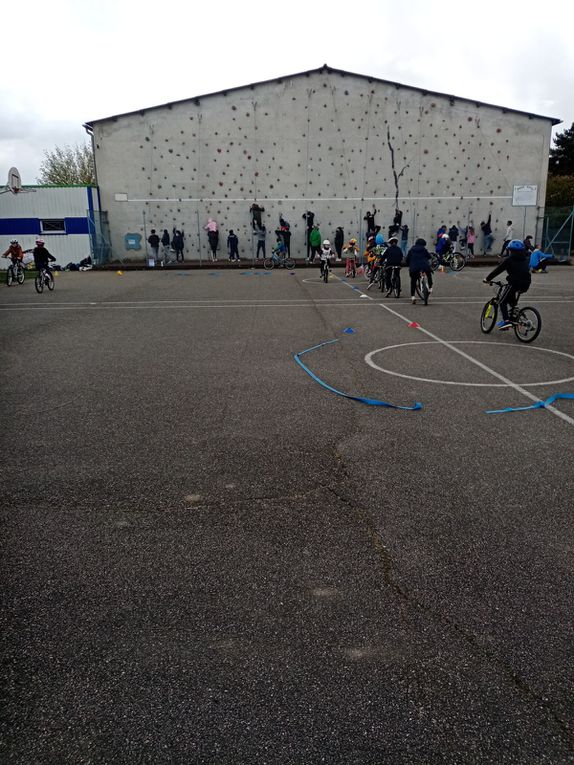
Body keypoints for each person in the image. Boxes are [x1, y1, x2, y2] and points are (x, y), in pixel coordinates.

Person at [483, 239, 531, 329]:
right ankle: (514, 316)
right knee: (511, 300)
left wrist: (487, 279)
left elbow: (497, 271)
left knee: (502, 301)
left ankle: (506, 321)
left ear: (511, 251)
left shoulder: (509, 260)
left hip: (514, 283)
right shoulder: (525, 260)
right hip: (526, 284)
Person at [406, 238, 433, 304]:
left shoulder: (411, 250)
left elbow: (407, 259)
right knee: (429, 274)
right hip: (424, 266)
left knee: (413, 281)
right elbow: (429, 256)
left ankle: (413, 296)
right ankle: (430, 287)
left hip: (414, 267)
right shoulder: (424, 249)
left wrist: (409, 264)